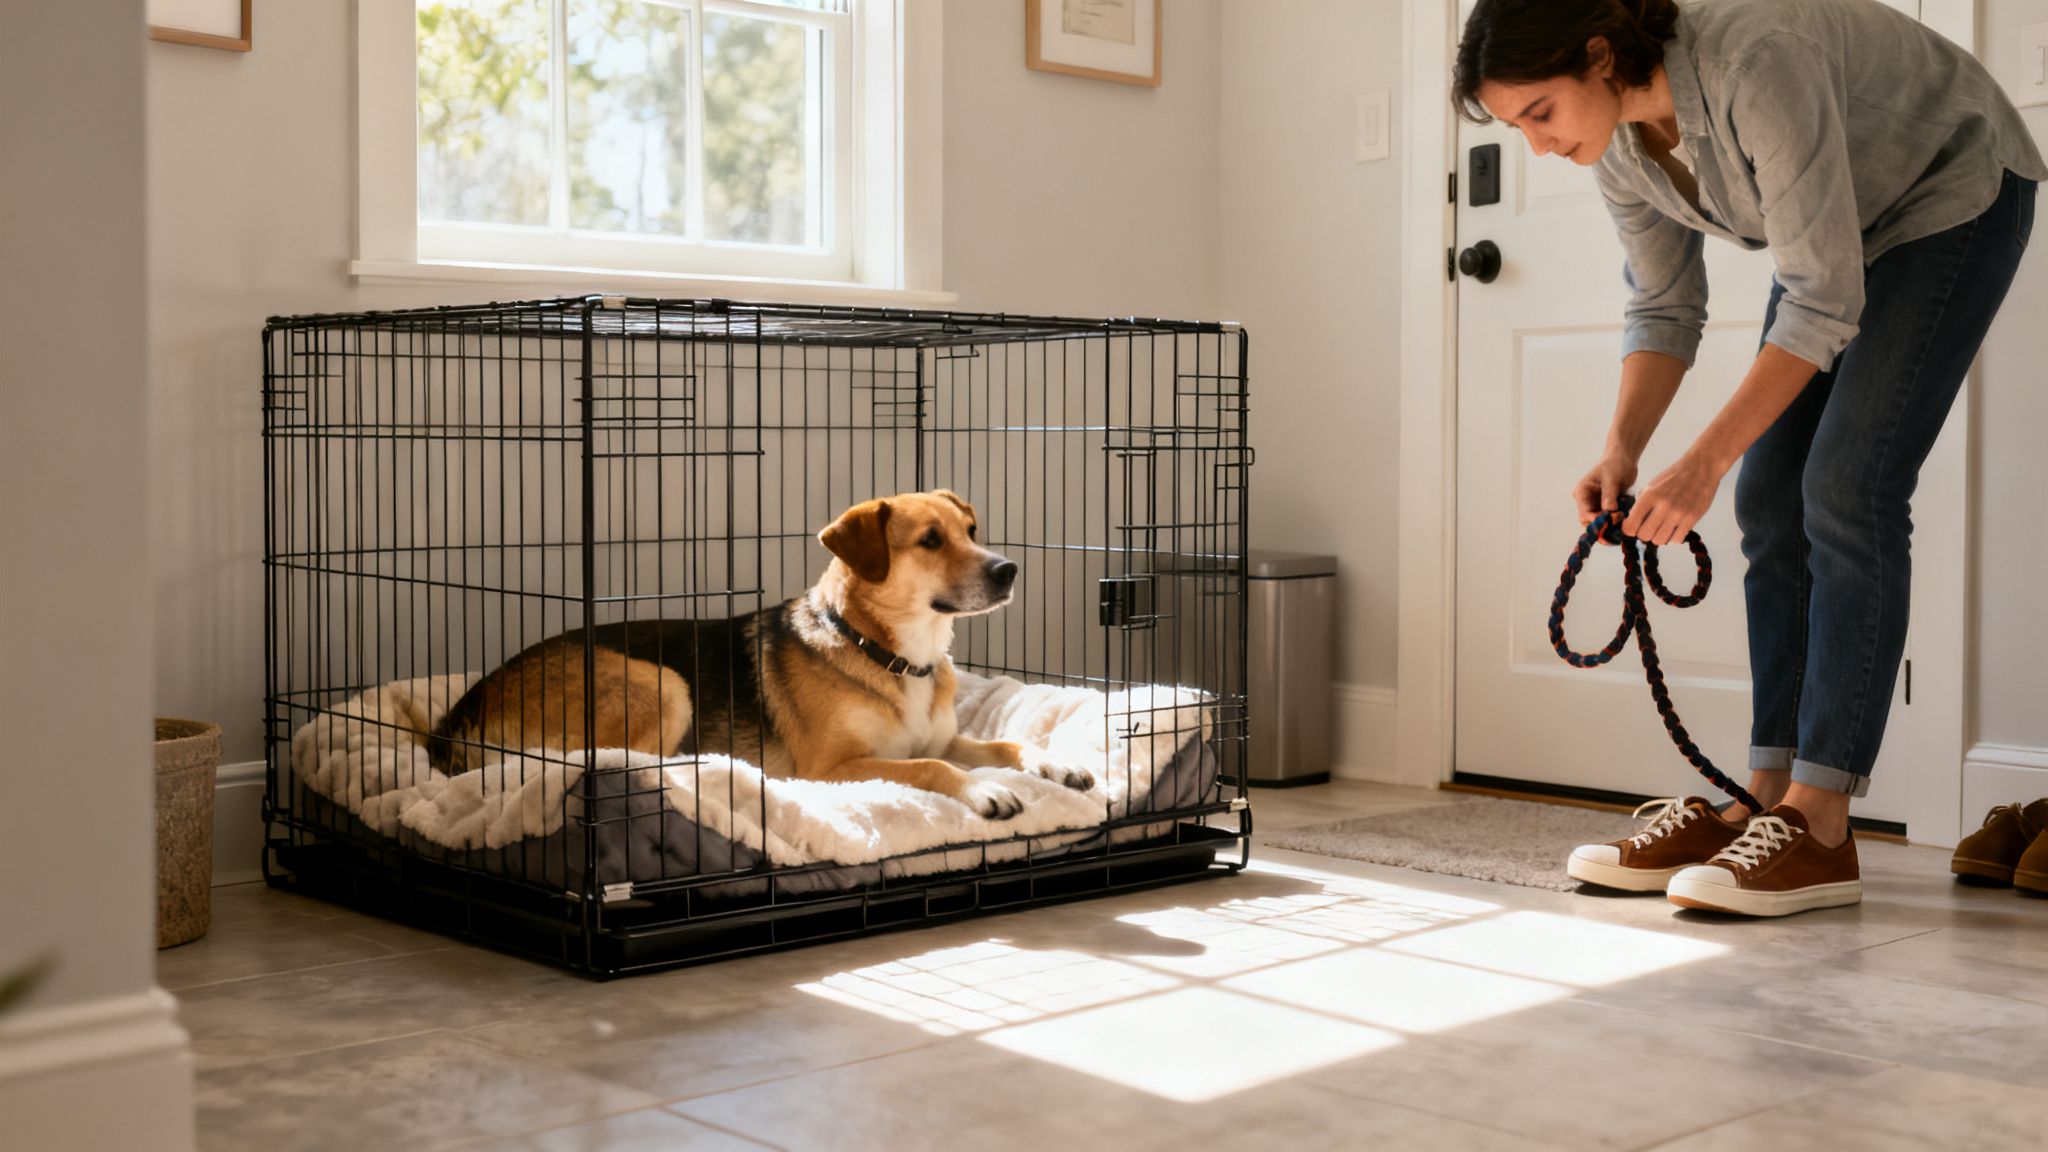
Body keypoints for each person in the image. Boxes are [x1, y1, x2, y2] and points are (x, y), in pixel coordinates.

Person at [1453, 0, 2042, 916]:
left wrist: (1701, 460)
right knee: (1770, 495)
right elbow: (1663, 307)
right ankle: (1765, 800)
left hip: (1951, 190)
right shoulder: (1613, 145)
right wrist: (1624, 451)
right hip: (1843, 234)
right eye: (1516, 125)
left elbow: (1818, 299)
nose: (1537, 146)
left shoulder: (1755, 60)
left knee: (1848, 484)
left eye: (1540, 113)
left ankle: (1824, 821)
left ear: (1600, 56)